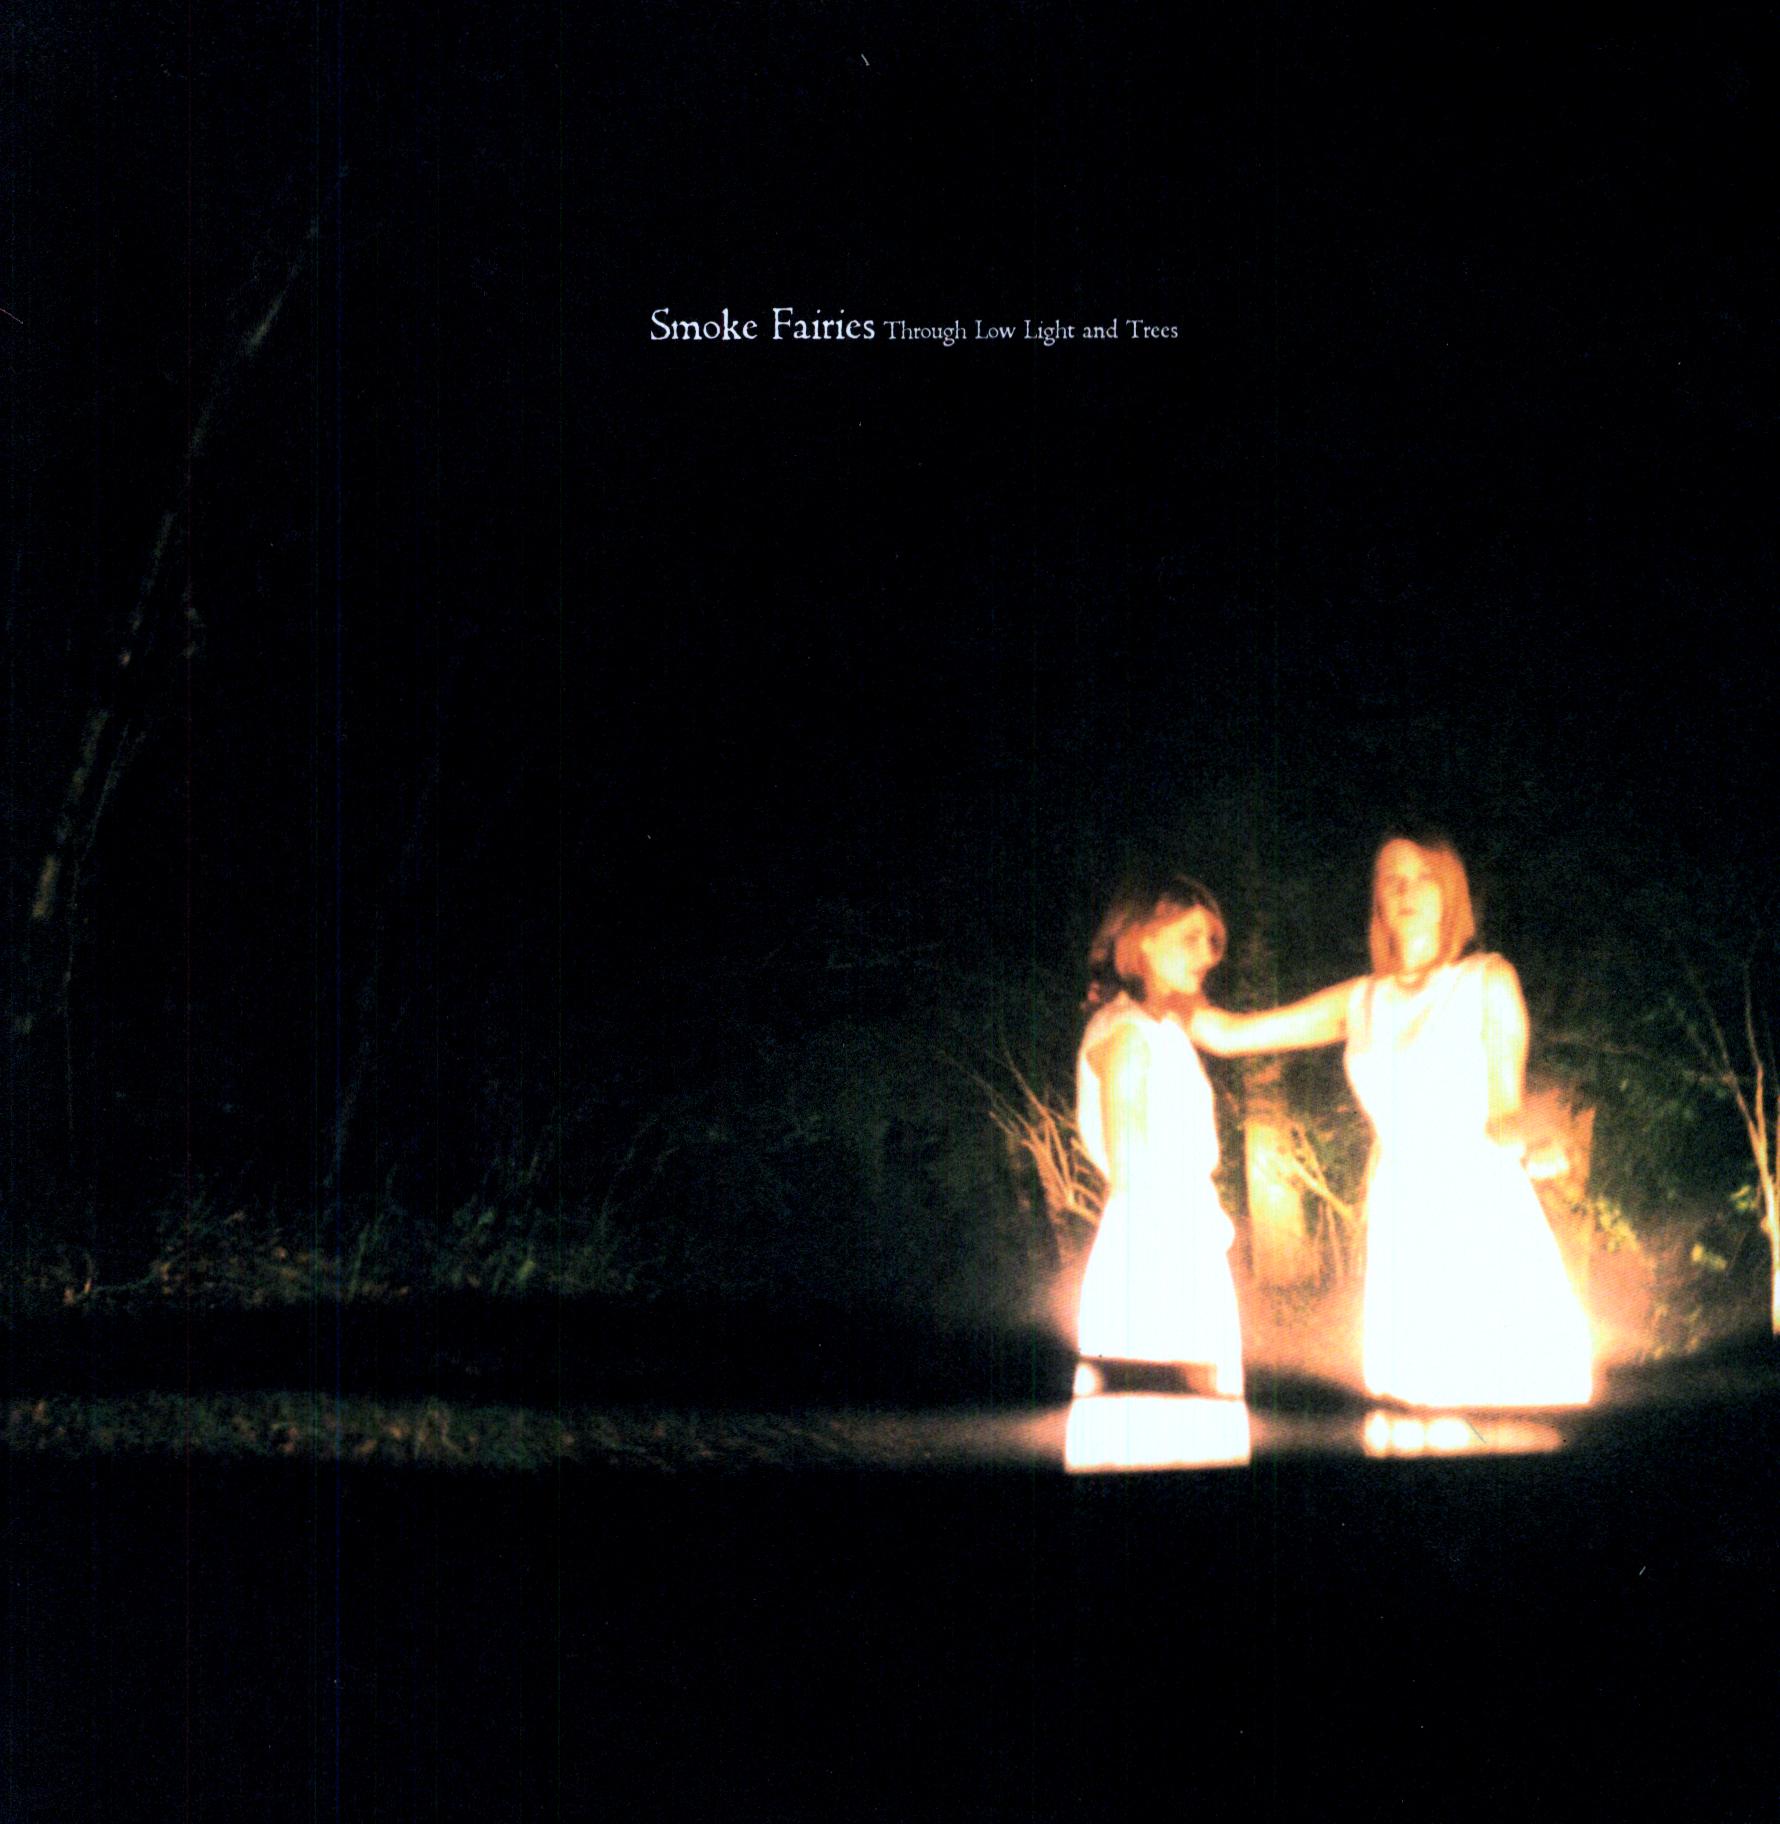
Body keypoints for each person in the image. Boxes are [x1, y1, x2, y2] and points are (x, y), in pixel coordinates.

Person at [1190, 835, 1592, 1407]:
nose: (1406, 890)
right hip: (1403, 1209)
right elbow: (1230, 1034)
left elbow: (1505, 1111)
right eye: (1391, 878)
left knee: (1502, 1393)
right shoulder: (1360, 1000)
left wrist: (1544, 1139)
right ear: (1376, 897)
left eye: (1422, 876)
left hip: (1478, 1201)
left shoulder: (1485, 979)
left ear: (1449, 890)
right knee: (1418, 1402)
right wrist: (1147, 988)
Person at [1072, 870, 1245, 1396]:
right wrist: (1180, 1268)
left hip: (1182, 1241)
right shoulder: (1126, 1033)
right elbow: (1132, 1174)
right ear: (1142, 940)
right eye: (1190, 938)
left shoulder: (1163, 1029)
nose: (1207, 954)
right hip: (1155, 1256)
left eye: (1211, 940)